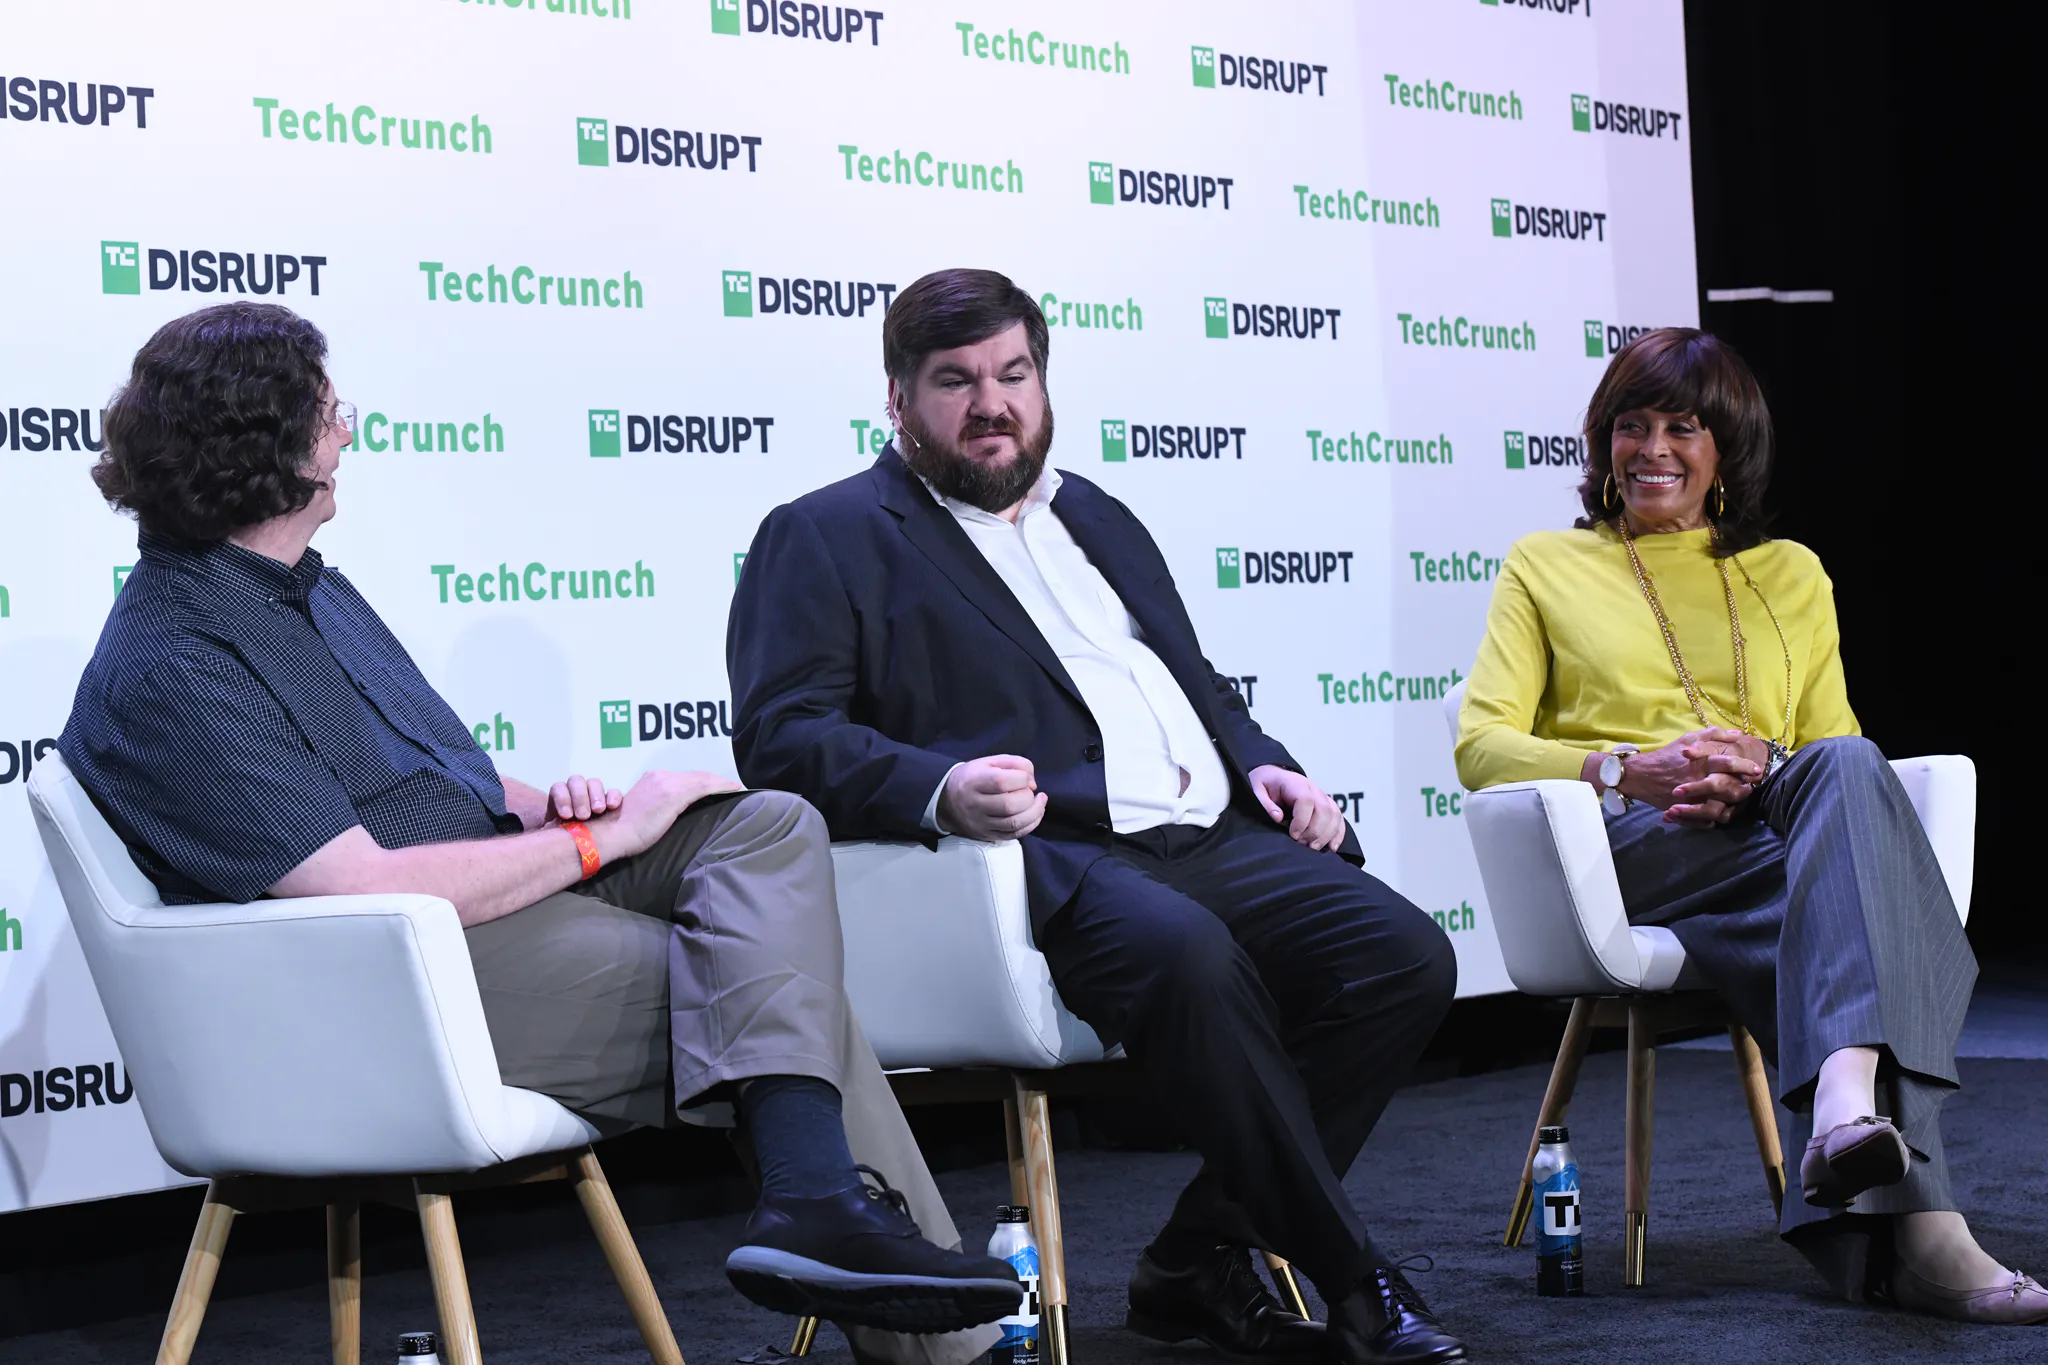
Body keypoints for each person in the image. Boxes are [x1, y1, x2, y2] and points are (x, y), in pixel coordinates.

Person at [59, 302, 1021, 1358]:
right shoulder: (173, 666)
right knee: (756, 983)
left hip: (474, 910)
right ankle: (863, 1253)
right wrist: (596, 846)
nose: (348, 436)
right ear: (267, 448)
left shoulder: (303, 591)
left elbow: (430, 776)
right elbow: (359, 885)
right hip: (386, 977)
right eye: (331, 416)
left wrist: (550, 805)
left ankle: (816, 1201)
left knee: (759, 825)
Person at [728, 269, 1465, 1365]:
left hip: (1210, 838)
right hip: (1041, 862)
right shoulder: (829, 532)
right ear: (897, 400)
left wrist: (1268, 767)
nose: (992, 403)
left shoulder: (1098, 515)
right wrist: (940, 787)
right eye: (955, 381)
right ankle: (1354, 1280)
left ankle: (1197, 1259)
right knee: (1190, 958)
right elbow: (782, 737)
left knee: (1401, 955)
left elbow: (1196, 686)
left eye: (1013, 374)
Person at [1456, 327, 2044, 1325]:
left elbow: (1837, 752)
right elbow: (1481, 743)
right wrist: (1625, 769)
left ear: (1724, 446)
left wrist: (1765, 771)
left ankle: (1854, 1129)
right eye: (1629, 427)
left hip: (1767, 838)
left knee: (1843, 780)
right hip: (1627, 846)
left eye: (1679, 427)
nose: (1651, 451)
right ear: (1602, 444)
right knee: (1875, 906)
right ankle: (1912, 1208)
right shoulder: (1545, 565)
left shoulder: (1790, 574)